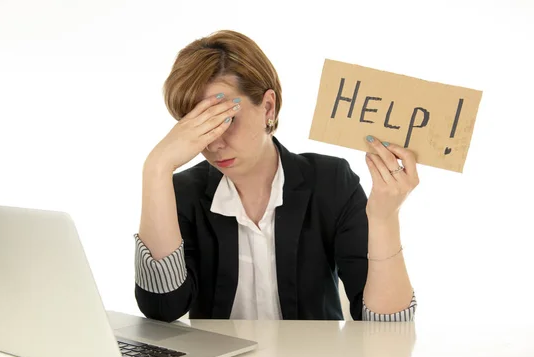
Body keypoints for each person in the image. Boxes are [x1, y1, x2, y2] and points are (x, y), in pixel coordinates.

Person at [134, 30, 417, 322]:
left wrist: (384, 217)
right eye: (199, 126)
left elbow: (387, 326)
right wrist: (156, 169)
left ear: (268, 106)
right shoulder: (183, 192)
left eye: (224, 119)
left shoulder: (331, 181)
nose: (214, 143)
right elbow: (161, 308)